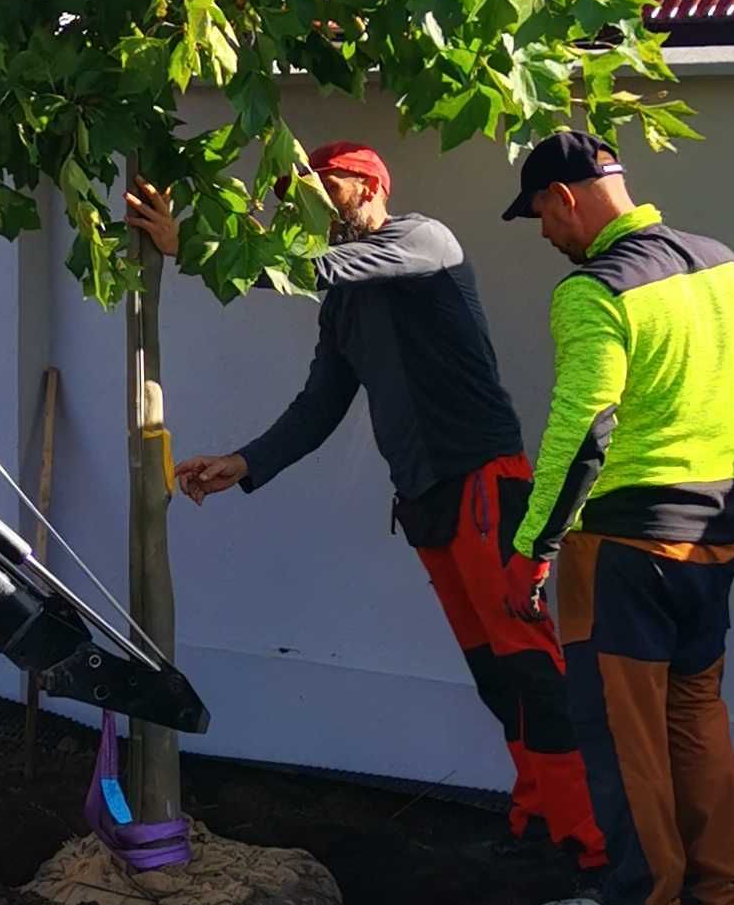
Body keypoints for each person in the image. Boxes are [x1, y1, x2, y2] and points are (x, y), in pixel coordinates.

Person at [125, 150, 600, 861]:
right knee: (494, 673)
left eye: (327, 186)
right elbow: (320, 403)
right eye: (302, 192)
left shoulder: (423, 241)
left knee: (529, 663)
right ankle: (537, 816)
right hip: (425, 498)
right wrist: (245, 462)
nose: (313, 200)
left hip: (482, 482)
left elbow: (308, 269)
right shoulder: (345, 300)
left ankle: (589, 838)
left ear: (372, 186)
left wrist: (189, 246)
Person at [499, 127, 734, 905]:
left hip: (620, 550)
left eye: (540, 217)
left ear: (564, 198)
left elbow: (585, 427)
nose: (545, 237)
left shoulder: (595, 291)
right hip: (715, 539)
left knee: (627, 744)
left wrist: (533, 545)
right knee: (699, 728)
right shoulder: (726, 265)